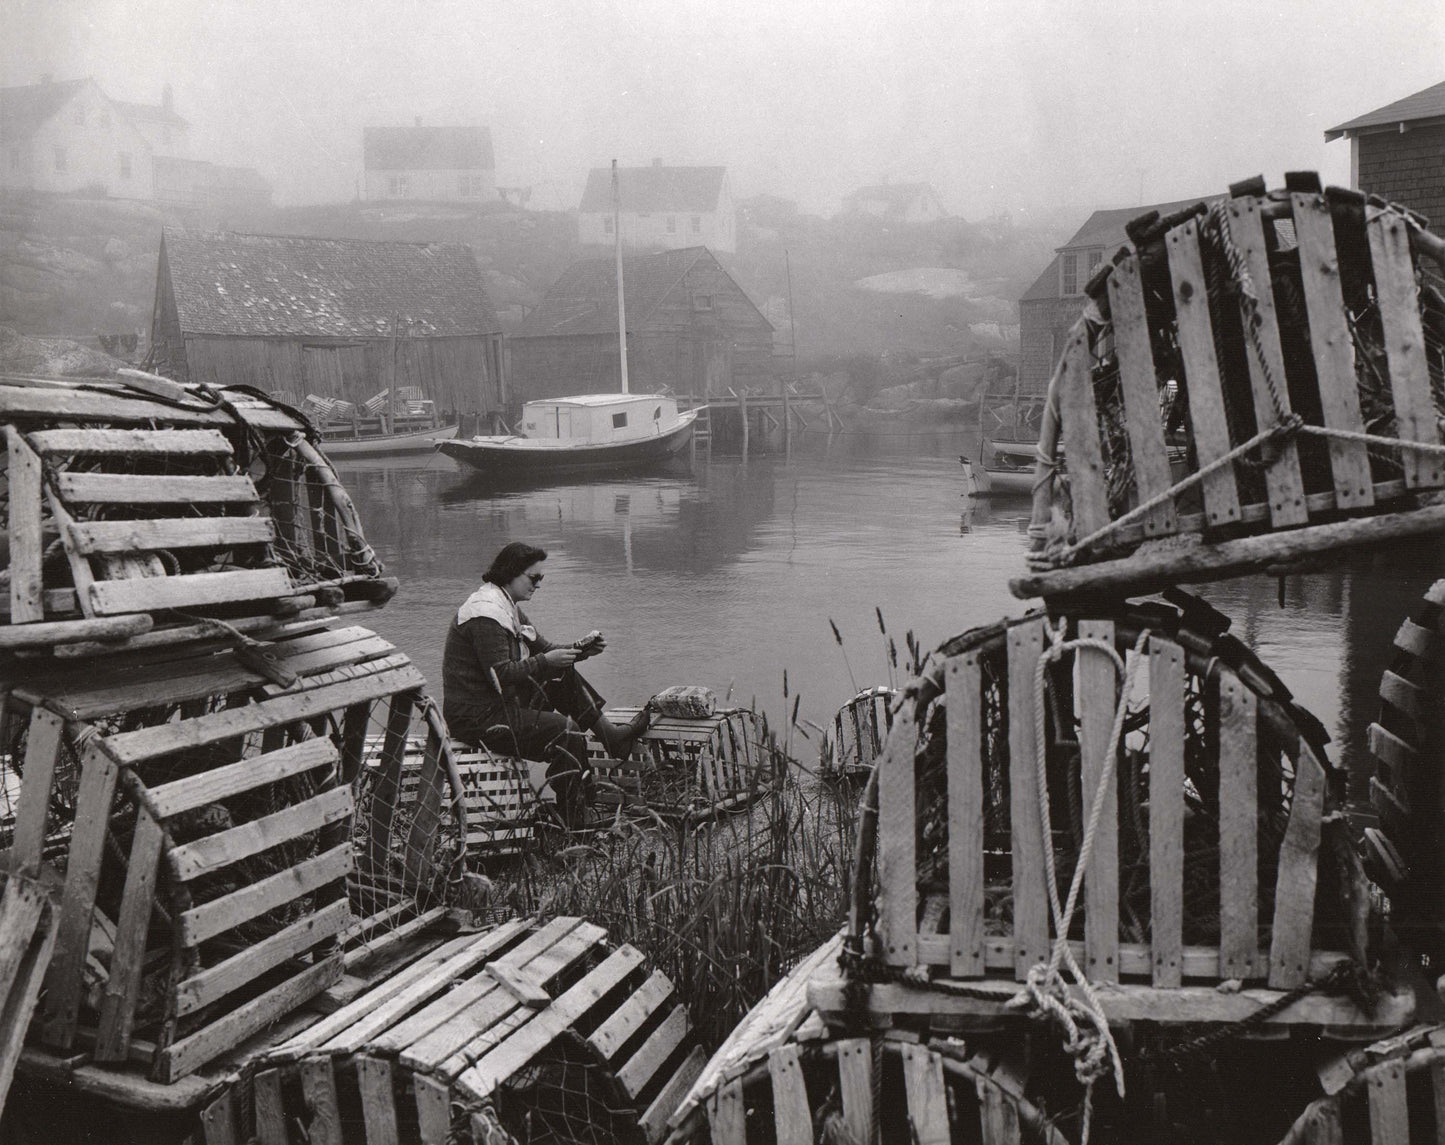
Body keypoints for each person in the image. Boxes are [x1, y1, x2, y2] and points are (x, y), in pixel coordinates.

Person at [442, 542, 652, 822]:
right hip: (477, 717)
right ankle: (573, 815)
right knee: (565, 731)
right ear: (511, 573)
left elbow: (544, 649)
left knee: (560, 674)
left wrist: (580, 651)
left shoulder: (508, 606)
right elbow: (501, 673)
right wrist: (548, 661)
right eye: (534, 578)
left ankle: (609, 736)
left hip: (498, 702)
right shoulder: (485, 614)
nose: (538, 585)